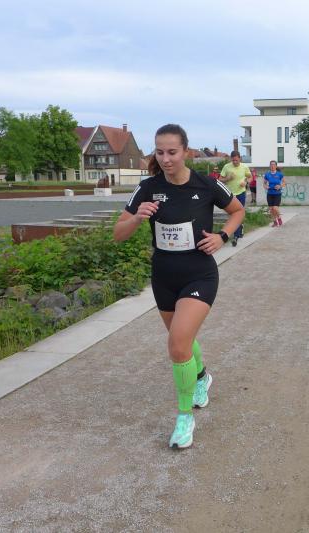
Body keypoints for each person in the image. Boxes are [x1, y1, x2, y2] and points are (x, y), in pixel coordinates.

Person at [113, 124, 245, 449]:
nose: (166, 158)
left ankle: (185, 417)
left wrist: (222, 236)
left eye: (172, 152)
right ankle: (202, 377)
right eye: (159, 152)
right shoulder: (148, 187)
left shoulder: (206, 184)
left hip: (199, 275)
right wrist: (136, 218)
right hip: (164, 277)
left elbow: (237, 210)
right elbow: (118, 233)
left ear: (186, 151)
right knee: (181, 341)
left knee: (177, 345)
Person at [219, 150, 251, 246]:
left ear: (240, 158)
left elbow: (250, 177)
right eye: (233, 160)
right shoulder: (226, 167)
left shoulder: (244, 167)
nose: (235, 162)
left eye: (236, 160)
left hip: (241, 192)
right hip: (230, 194)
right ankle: (238, 231)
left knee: (239, 212)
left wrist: (245, 182)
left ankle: (236, 235)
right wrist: (227, 179)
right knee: (233, 214)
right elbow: (220, 179)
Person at [264, 160, 285, 227]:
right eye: (271, 165)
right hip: (270, 193)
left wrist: (280, 186)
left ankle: (279, 218)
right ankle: (275, 222)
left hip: (277, 193)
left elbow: (284, 182)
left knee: (275, 208)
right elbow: (264, 183)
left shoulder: (279, 174)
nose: (272, 166)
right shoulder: (267, 174)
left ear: (276, 166)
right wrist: (266, 186)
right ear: (270, 166)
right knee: (271, 209)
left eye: (274, 164)